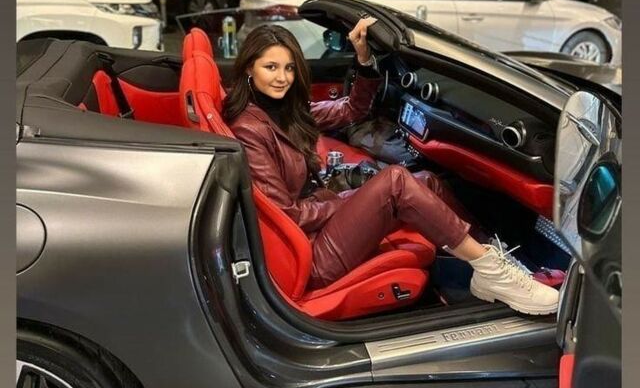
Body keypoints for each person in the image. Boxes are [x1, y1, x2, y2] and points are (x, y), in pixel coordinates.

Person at [223, 20, 559, 315]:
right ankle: (493, 271)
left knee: (426, 180)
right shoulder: (250, 128)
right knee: (396, 181)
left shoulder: (285, 111)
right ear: (249, 68)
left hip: (315, 222)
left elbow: (351, 110)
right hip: (309, 253)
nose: (282, 78)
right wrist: (344, 202)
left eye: (289, 68)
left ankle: (495, 261)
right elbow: (287, 216)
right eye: (271, 67)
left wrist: (364, 60)